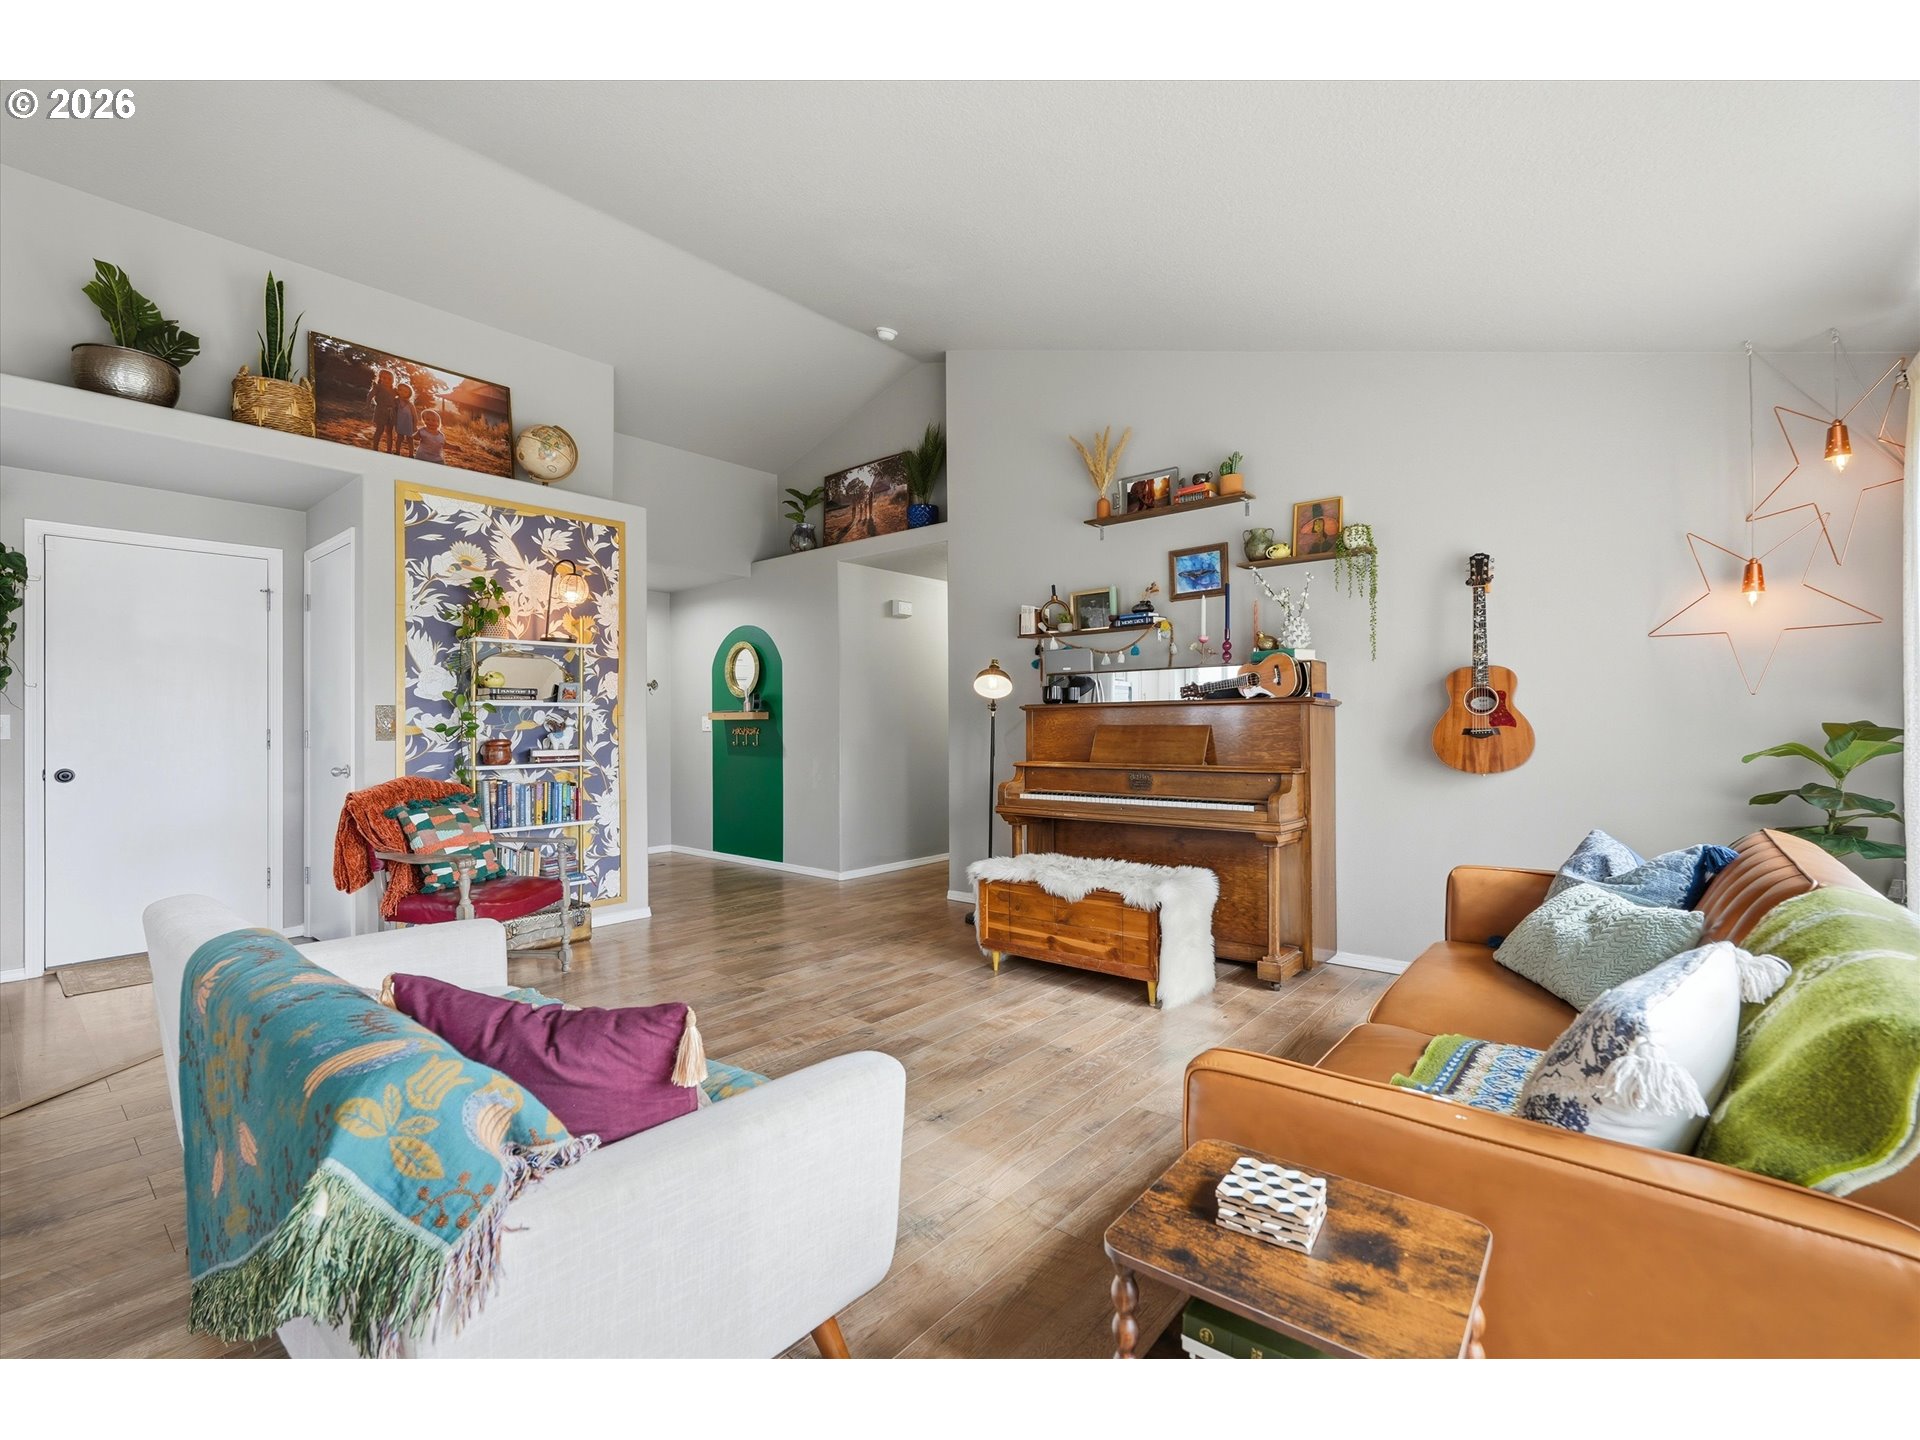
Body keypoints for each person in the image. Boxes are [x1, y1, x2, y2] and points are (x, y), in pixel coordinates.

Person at [367, 369, 398, 452]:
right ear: (380, 378)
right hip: (380, 410)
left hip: (391, 413)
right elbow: (370, 395)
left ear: (393, 380)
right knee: (379, 430)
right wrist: (367, 405)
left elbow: (401, 397)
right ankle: (375, 448)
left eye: (389, 379)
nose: (387, 380)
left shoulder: (394, 390)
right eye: (384, 378)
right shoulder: (378, 387)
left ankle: (389, 450)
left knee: (389, 432)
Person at [392, 384, 418, 459]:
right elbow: (393, 412)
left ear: (409, 394)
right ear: (397, 390)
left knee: (410, 439)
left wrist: (415, 426)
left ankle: (411, 454)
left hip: (409, 425)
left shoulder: (410, 404)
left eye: (406, 392)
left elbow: (415, 416)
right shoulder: (396, 401)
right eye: (400, 390)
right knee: (399, 438)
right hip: (399, 423)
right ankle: (397, 452)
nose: (403, 392)